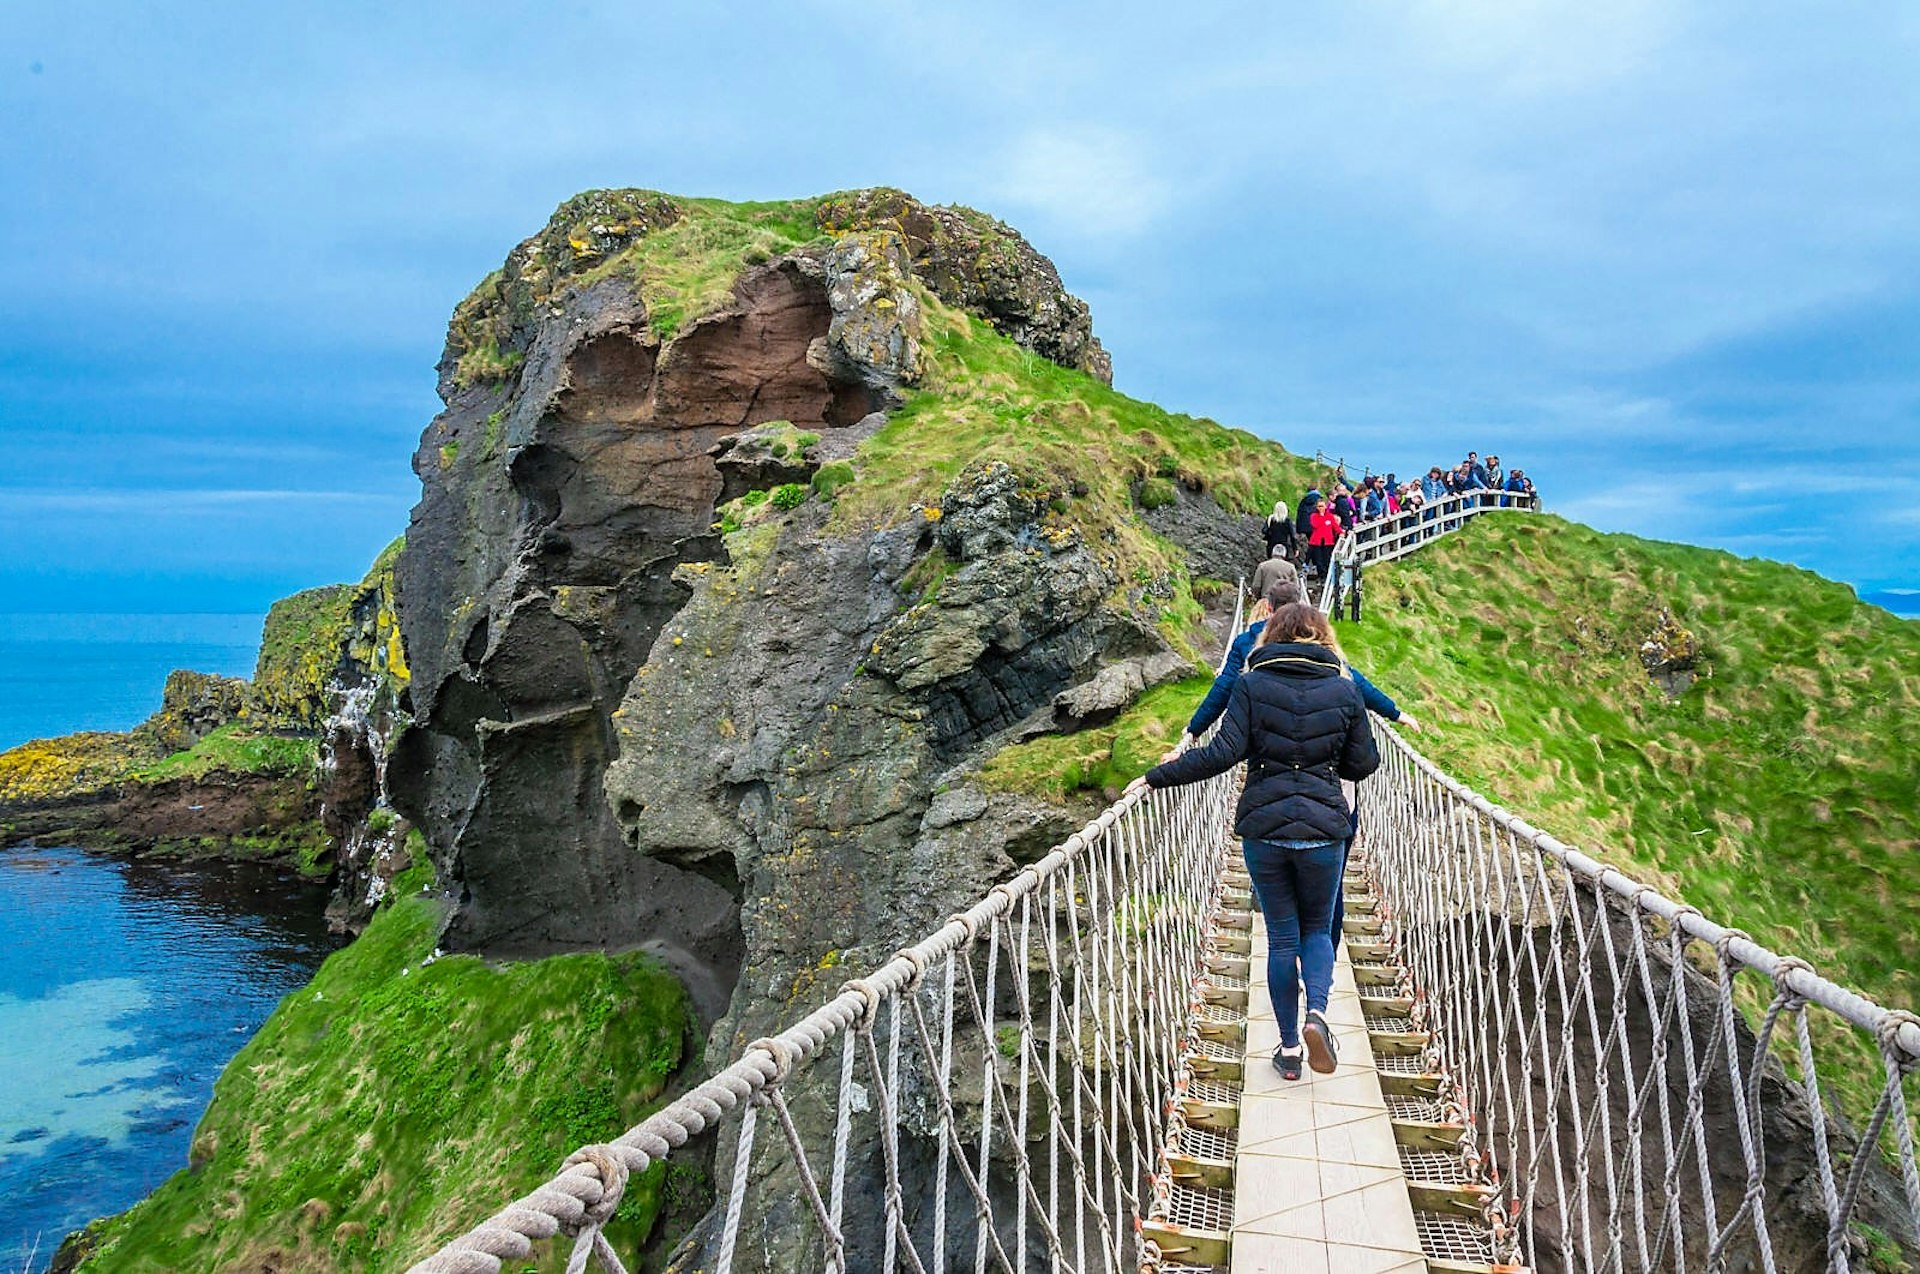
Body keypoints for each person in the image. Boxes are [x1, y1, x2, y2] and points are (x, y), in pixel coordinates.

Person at [1128, 602, 1381, 1078]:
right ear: (1322, 638)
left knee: (1282, 939)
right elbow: (1363, 764)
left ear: (1270, 637)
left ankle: (1288, 1052)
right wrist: (1328, 765)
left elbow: (1222, 755)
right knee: (1318, 928)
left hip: (1264, 831)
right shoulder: (1346, 692)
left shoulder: (1249, 685)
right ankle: (1319, 1016)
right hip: (1325, 829)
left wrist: (1154, 777)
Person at [1307, 499, 1342, 582]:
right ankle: (1321, 575)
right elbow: (1315, 525)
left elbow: (1335, 526)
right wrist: (1322, 517)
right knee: (1318, 560)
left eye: (1322, 506)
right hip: (1317, 541)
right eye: (1319, 506)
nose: (1321, 508)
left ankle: (1327, 575)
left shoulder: (1330, 516)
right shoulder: (1313, 516)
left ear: (1325, 506)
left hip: (1328, 541)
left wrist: (1341, 532)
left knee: (1327, 559)